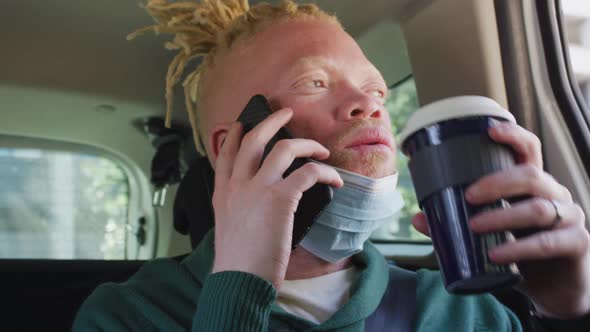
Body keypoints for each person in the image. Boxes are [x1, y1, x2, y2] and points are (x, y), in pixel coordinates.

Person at [73, 0, 590, 331]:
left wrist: (569, 313)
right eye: (315, 84)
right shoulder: (127, 316)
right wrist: (239, 289)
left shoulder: (466, 311)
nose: (369, 106)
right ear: (233, 143)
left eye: (376, 90)